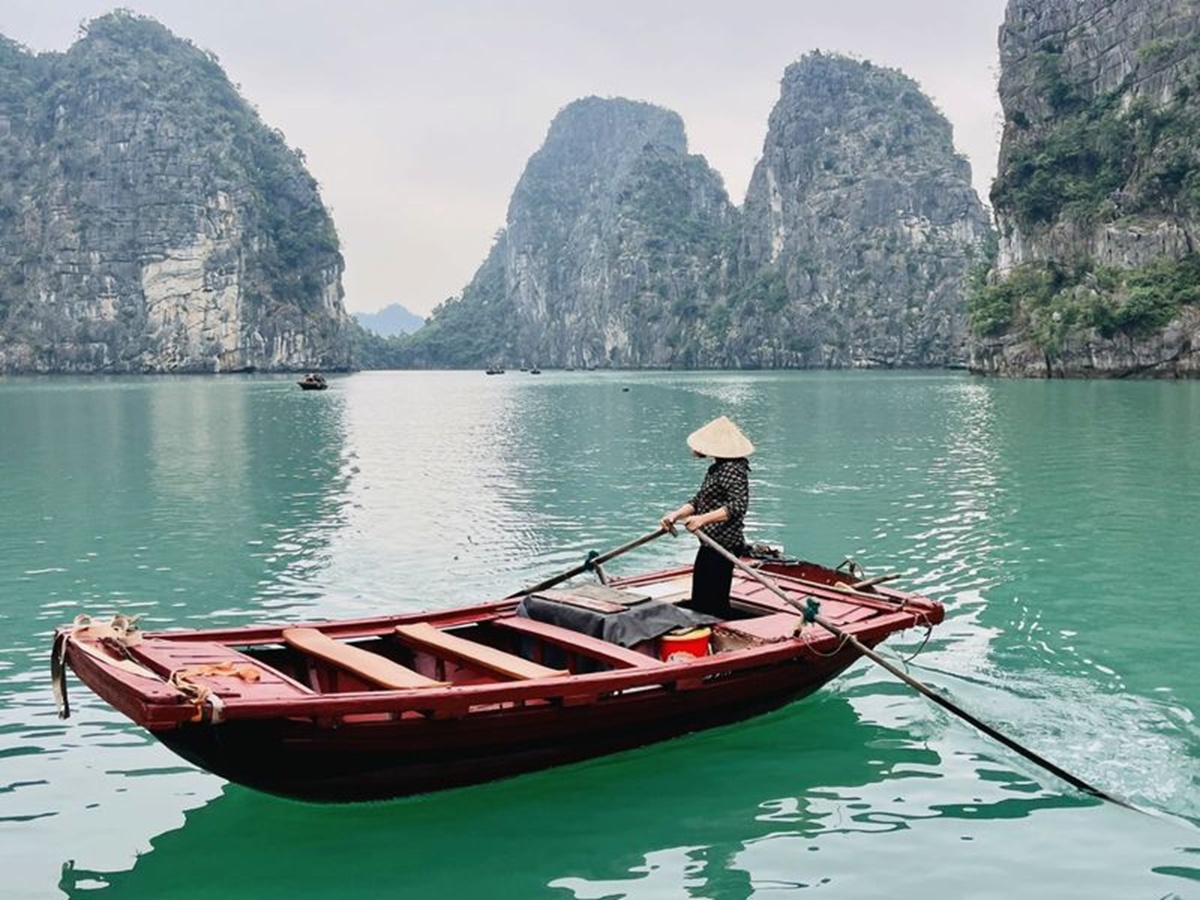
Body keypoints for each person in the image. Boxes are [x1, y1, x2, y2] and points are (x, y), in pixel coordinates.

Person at [660, 415, 754, 619]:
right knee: (701, 597)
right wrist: (675, 515)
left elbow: (738, 505)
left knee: (712, 602)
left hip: (724, 544)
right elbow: (698, 500)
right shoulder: (717, 468)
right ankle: (705, 627)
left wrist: (702, 519)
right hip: (709, 543)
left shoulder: (733, 468)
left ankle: (716, 632)